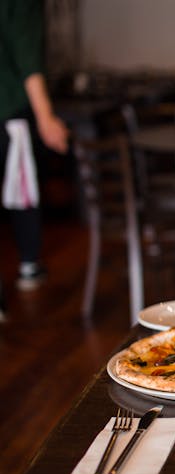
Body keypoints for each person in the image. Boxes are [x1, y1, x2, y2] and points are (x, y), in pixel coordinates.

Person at [1, 0, 69, 305]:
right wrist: (46, 117)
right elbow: (27, 58)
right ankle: (29, 264)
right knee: (22, 192)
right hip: (9, 112)